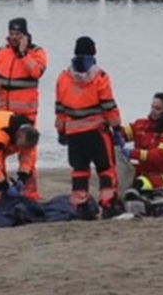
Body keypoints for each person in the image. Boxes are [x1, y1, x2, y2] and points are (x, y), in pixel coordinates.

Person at [55, 36, 124, 219]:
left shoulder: (64, 77)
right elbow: (109, 106)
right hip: (96, 131)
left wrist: (61, 130)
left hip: (74, 133)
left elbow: (59, 108)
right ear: (93, 53)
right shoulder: (100, 76)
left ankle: (81, 205)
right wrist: (117, 129)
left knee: (79, 170)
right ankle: (108, 203)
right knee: (106, 169)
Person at [0, 17, 48, 200]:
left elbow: (37, 72)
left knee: (27, 153)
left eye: (18, 34)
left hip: (26, 112)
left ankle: (30, 192)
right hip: (3, 113)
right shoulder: (1, 52)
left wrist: (22, 54)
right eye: (11, 34)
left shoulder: (37, 52)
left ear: (25, 35)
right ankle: (1, 190)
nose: (14, 37)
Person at [116, 90, 163, 194]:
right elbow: (125, 132)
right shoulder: (142, 125)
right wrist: (114, 132)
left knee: (139, 184)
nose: (153, 111)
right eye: (152, 107)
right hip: (144, 172)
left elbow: (158, 155)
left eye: (158, 108)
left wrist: (132, 153)